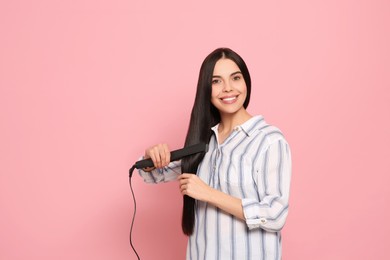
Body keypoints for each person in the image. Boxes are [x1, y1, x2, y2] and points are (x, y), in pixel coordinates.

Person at [138, 47, 292, 260]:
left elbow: (275, 214)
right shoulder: (204, 142)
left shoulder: (268, 140)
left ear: (246, 81)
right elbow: (154, 173)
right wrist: (152, 157)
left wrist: (208, 193)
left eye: (235, 78)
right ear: (206, 89)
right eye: (216, 81)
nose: (228, 88)